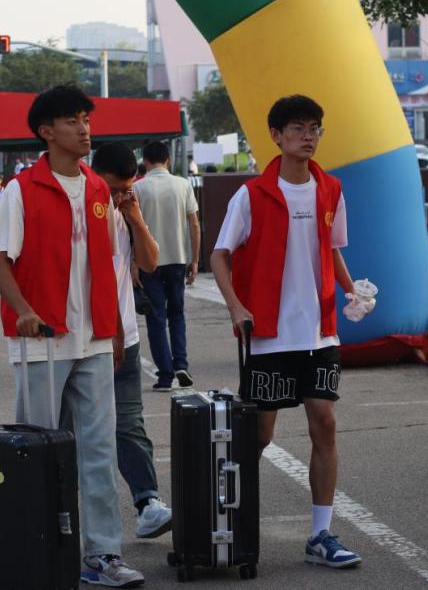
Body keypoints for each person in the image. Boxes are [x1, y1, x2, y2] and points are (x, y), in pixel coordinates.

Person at [0, 83, 143, 587]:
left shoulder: (98, 189)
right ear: (46, 132)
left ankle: (102, 555)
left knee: (98, 451)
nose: (84, 129)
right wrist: (25, 311)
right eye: (72, 120)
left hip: (94, 341)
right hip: (43, 344)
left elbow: (107, 267)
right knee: (37, 453)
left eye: (86, 119)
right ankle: (34, 551)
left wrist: (113, 330)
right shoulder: (21, 190)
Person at [210, 94, 361, 569]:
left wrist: (353, 291)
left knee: (325, 423)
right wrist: (236, 306)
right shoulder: (252, 195)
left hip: (319, 333)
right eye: (298, 128)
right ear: (276, 136)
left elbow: (331, 249)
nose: (308, 136)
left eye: (314, 127)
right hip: (269, 335)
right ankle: (226, 519)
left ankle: (320, 534)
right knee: (258, 435)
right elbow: (219, 255)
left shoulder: (330, 189)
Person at [91, 143, 173, 539]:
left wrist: (136, 217)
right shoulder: (82, 212)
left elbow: (151, 262)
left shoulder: (125, 212)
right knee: (81, 432)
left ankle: (148, 503)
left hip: (126, 338)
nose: (119, 197)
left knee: (129, 425)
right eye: (113, 190)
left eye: (126, 189)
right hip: (88, 341)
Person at [133, 140, 201, 391]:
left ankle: (165, 376)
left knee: (156, 318)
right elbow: (194, 224)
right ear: (169, 160)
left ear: (145, 162)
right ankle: (181, 363)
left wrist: (133, 263)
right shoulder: (183, 185)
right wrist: (194, 258)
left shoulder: (138, 188)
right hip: (177, 259)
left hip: (148, 262)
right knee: (177, 314)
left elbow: (131, 228)